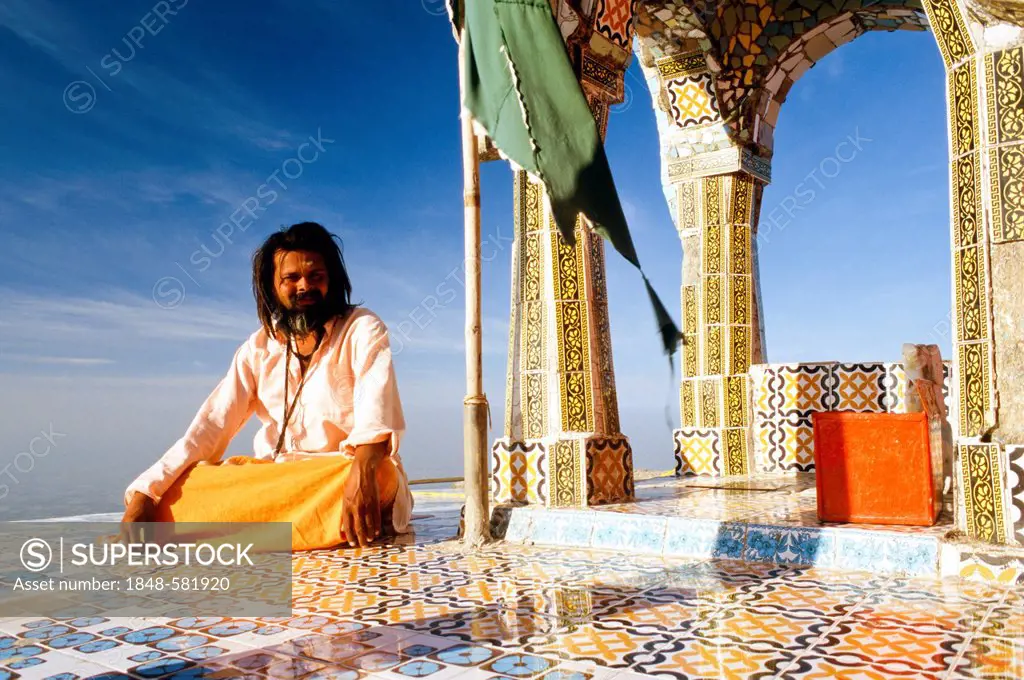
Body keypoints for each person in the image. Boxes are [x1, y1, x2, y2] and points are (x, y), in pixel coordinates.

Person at [119, 222, 412, 550]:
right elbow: (210, 429)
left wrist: (363, 468)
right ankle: (297, 529)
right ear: (272, 287)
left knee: (379, 474)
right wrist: (146, 492)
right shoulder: (257, 349)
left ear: (333, 279)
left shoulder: (363, 329)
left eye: (316, 276)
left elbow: (376, 421)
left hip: (342, 473)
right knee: (184, 483)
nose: (305, 287)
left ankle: (246, 529)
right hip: (277, 480)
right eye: (291, 278)